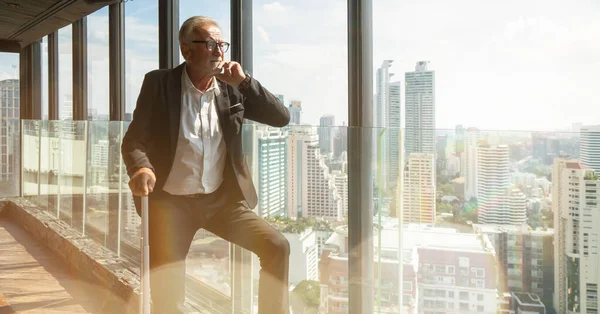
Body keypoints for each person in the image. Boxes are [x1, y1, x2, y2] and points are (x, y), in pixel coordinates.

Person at [121, 16, 291, 314]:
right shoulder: (159, 83)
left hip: (221, 201)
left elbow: (281, 118)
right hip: (170, 204)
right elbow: (134, 139)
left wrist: (244, 81)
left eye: (221, 44)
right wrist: (141, 168)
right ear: (186, 51)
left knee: (277, 246)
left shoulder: (233, 89)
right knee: (168, 295)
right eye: (210, 44)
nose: (218, 51)